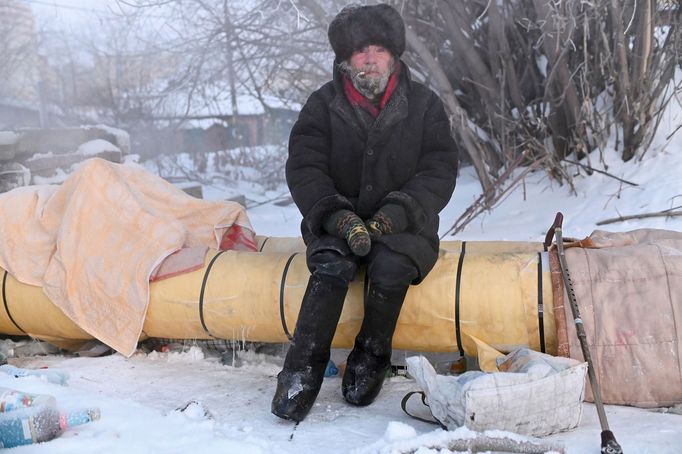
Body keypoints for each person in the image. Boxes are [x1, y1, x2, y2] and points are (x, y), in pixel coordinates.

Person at [271, 3, 458, 422]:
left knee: (392, 265)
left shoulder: (425, 104)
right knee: (332, 265)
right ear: (344, 59)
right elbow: (304, 166)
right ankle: (301, 370)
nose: (369, 58)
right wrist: (336, 217)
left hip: (405, 223)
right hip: (337, 220)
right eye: (359, 51)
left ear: (393, 54)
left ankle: (371, 357)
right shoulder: (321, 104)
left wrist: (398, 213)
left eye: (377, 48)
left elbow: (440, 168)